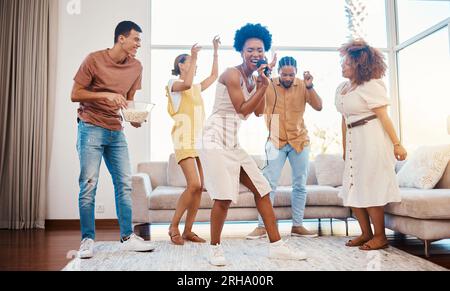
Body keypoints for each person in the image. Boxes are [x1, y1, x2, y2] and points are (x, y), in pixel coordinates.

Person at [198, 23, 307, 266]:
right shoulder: (231, 74)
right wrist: (263, 86)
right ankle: (215, 248)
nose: (255, 54)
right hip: (214, 138)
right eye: (250, 50)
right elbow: (242, 109)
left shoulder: (254, 78)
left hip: (232, 141)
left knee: (262, 189)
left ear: (265, 52)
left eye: (259, 50)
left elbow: (258, 111)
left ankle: (276, 246)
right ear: (241, 51)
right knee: (224, 197)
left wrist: (261, 84)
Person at [71, 21, 154, 259]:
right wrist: (105, 94)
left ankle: (128, 237)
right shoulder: (93, 60)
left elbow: (127, 101)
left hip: (116, 130)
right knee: (88, 184)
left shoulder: (136, 66)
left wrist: (134, 118)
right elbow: (75, 94)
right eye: (136, 39)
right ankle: (87, 240)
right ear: (121, 38)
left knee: (124, 183)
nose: (139, 44)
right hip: (90, 126)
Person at [335, 39, 407, 251]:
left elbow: (384, 117)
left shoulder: (372, 85)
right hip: (353, 141)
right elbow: (344, 119)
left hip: (372, 140)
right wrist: (343, 147)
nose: (342, 65)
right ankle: (366, 233)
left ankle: (380, 236)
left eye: (346, 62)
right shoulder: (342, 88)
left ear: (358, 64)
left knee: (370, 186)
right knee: (351, 187)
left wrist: (397, 144)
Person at [246, 56, 323, 240]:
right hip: (275, 140)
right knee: (268, 185)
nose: (288, 78)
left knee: (299, 185)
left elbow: (319, 106)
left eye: (291, 74)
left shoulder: (303, 85)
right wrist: (261, 81)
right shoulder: (268, 84)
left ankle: (297, 226)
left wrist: (310, 86)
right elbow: (257, 111)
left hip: (299, 141)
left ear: (295, 72)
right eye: (284, 74)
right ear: (278, 72)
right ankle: (262, 226)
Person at [165, 37, 221, 245]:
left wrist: (215, 51)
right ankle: (173, 226)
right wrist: (195, 54)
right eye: (190, 62)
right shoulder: (174, 84)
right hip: (183, 139)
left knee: (200, 187)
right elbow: (186, 82)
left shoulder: (196, 87)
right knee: (194, 184)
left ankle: (188, 230)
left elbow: (214, 75)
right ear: (181, 65)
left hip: (199, 142)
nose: (195, 66)